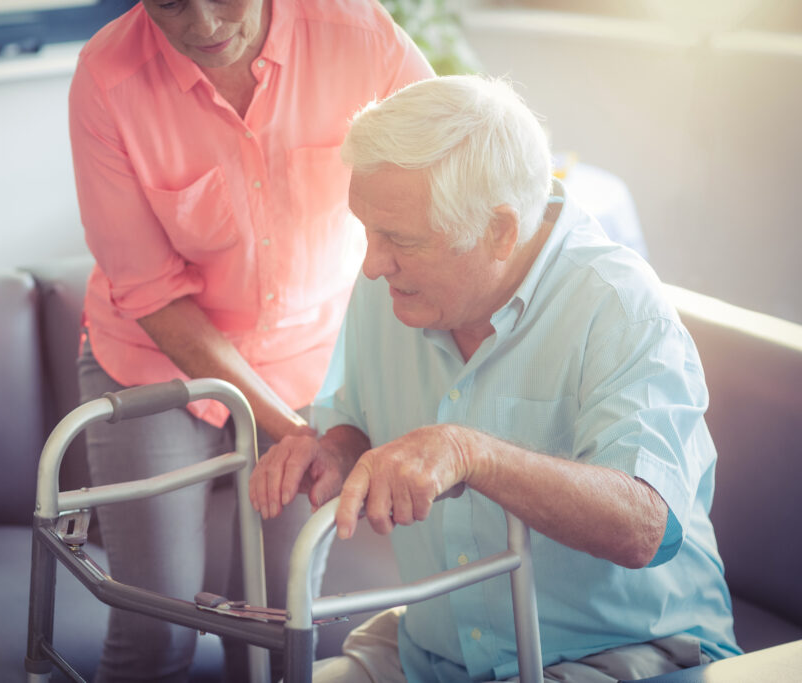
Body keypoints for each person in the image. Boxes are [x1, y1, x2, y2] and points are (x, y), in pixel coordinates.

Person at [249, 75, 741, 682]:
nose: (373, 264)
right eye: (368, 231)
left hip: (624, 655)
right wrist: (333, 452)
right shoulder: (392, 285)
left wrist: (470, 452)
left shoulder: (619, 305)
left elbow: (647, 526)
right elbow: (356, 421)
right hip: (430, 654)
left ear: (500, 231)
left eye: (399, 239)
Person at [67, 1, 433, 681]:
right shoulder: (106, 78)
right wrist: (297, 431)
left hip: (308, 361)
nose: (204, 25)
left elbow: (448, 162)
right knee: (158, 626)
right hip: (154, 365)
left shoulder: (360, 36)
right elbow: (150, 293)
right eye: (172, 3)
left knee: (277, 625)